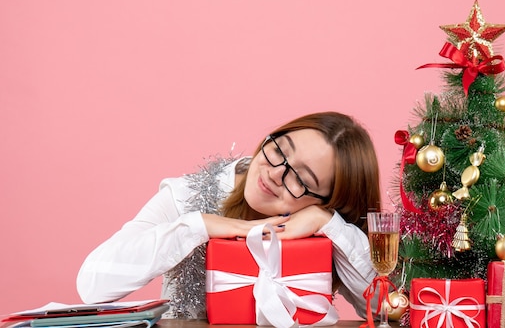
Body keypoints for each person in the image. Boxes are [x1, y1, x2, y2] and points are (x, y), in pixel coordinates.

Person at [77, 111, 381, 319]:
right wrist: (201, 226)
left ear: (328, 202)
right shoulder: (186, 196)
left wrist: (330, 225)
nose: (275, 173)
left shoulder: (322, 226)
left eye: (301, 180)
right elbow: (92, 285)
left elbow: (388, 309)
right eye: (279, 150)